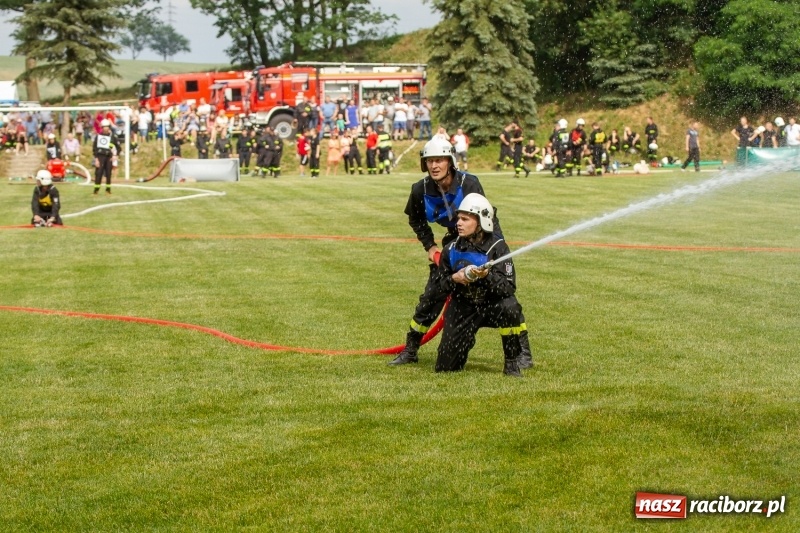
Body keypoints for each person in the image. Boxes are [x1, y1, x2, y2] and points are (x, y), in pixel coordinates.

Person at [388, 137, 533, 368]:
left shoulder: (469, 183)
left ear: (450, 161)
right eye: (430, 161)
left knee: (504, 297)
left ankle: (521, 352)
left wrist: (494, 251)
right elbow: (415, 219)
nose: (434, 166)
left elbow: (486, 215)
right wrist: (430, 246)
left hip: (481, 240)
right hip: (452, 246)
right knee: (432, 295)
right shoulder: (419, 190)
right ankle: (411, 349)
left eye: (439, 160)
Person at [433, 193, 523, 376]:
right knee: (445, 368)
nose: (458, 223)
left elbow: (508, 288)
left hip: (491, 305)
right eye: (459, 218)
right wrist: (454, 279)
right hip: (463, 307)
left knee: (510, 307)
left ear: (482, 221)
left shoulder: (498, 247)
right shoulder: (450, 249)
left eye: (465, 219)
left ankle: (512, 361)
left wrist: (486, 276)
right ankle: (465, 338)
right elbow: (439, 287)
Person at [92, 119, 119, 195]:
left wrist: (115, 155)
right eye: (104, 127)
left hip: (109, 157)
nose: (105, 128)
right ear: (102, 127)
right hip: (100, 157)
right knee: (99, 173)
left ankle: (108, 190)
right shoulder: (98, 136)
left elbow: (118, 147)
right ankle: (96, 190)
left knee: (108, 174)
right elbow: (94, 148)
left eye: (107, 126)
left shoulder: (113, 137)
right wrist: (96, 159)